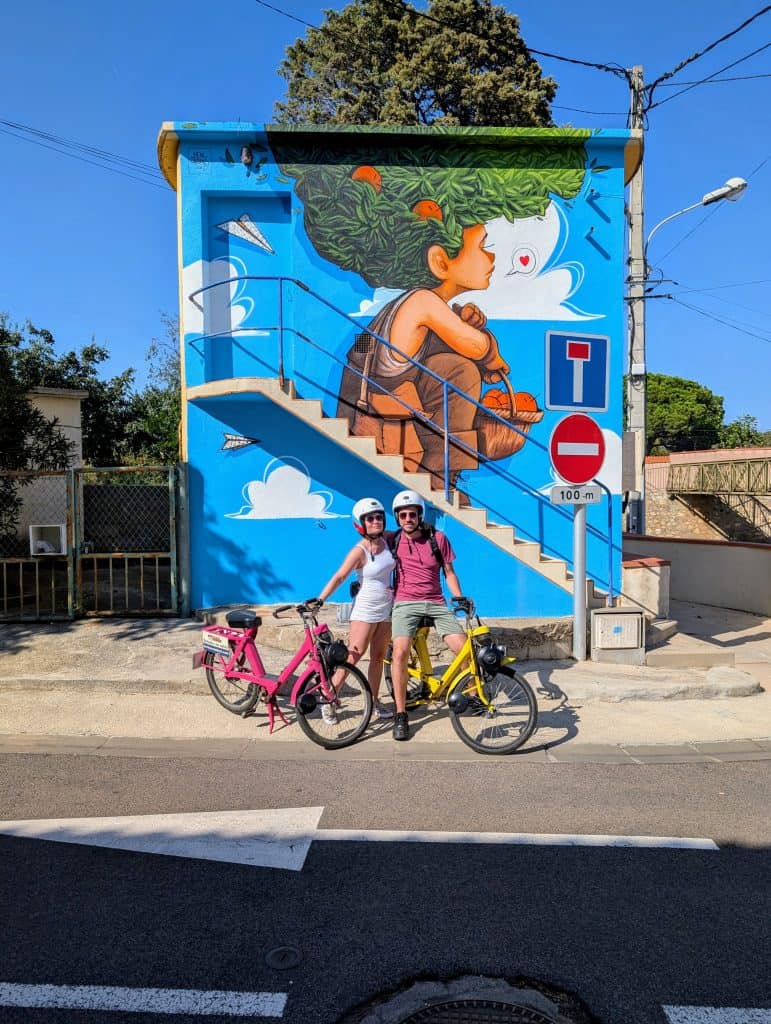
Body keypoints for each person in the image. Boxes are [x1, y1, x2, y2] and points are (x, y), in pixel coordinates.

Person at [388, 489, 467, 742]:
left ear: (420, 515)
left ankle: (472, 695)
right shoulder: (392, 540)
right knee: (400, 653)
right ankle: (401, 714)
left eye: (412, 514)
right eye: (403, 515)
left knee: (464, 649)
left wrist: (459, 597)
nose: (408, 519)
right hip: (405, 603)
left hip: (435, 602)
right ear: (397, 518)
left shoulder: (438, 538)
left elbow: (449, 572)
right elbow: (369, 549)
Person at [314, 497, 395, 723]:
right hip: (365, 610)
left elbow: (410, 533)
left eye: (379, 517)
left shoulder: (388, 540)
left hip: (387, 608)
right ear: (361, 523)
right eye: (370, 518)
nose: (376, 521)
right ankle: (329, 699)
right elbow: (340, 576)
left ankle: (374, 701)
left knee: (378, 657)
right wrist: (320, 600)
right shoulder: (359, 551)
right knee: (352, 656)